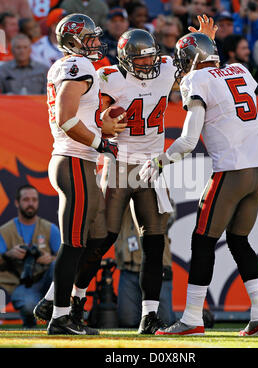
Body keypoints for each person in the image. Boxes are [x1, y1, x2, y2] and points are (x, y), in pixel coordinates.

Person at [139, 32, 258, 337]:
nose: (182, 67)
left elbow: (188, 141)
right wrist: (205, 42)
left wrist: (160, 161)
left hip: (232, 170)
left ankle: (191, 318)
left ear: (193, 59)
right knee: (239, 240)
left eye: (185, 59)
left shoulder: (196, 80)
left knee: (202, 240)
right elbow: (222, 81)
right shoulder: (239, 70)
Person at [91, 15, 217, 335]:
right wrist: (101, 122)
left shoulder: (164, 67)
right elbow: (87, 105)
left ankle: (149, 315)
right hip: (121, 162)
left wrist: (204, 44)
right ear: (125, 60)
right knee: (103, 235)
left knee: (155, 240)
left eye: (151, 55)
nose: (149, 62)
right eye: (141, 57)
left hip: (152, 165)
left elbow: (195, 63)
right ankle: (68, 301)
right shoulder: (108, 77)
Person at [32, 13, 126, 335]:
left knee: (96, 237)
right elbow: (66, 118)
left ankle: (56, 303)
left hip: (77, 161)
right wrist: (101, 141)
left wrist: (102, 124)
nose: (97, 43)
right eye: (90, 38)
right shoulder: (79, 66)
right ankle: (60, 318)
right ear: (72, 41)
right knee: (73, 243)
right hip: (73, 161)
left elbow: (77, 115)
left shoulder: (74, 67)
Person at [0, 185, 60, 328]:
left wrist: (49, 259)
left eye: (34, 200)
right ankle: (29, 322)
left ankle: (61, 317)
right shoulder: (5, 231)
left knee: (57, 265)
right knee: (28, 306)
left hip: (47, 281)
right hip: (22, 284)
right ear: (17, 203)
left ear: (38, 202)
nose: (30, 203)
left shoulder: (50, 229)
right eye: (26, 200)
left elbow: (66, 261)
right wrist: (9, 255)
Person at [114, 200, 176, 328]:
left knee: (165, 321)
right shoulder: (119, 195)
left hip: (158, 268)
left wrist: (145, 196)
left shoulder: (156, 190)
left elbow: (169, 215)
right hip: (129, 268)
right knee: (127, 321)